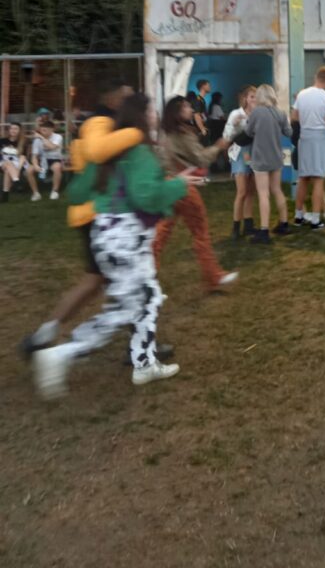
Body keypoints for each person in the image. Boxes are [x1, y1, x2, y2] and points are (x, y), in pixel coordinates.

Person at [32, 93, 198, 400]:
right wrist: (178, 185)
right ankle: (61, 354)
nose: (154, 115)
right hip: (127, 239)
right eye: (150, 110)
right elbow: (146, 196)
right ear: (142, 115)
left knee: (148, 296)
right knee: (126, 309)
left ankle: (144, 362)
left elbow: (79, 190)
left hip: (109, 235)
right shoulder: (139, 151)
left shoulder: (112, 149)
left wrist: (108, 199)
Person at [18, 79, 176, 363]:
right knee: (129, 284)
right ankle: (64, 345)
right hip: (102, 216)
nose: (131, 99)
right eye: (127, 94)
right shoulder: (98, 123)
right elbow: (97, 153)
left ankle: (136, 345)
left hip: (105, 215)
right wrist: (137, 135)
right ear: (113, 96)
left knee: (116, 283)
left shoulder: (109, 123)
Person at [154, 96, 238, 291]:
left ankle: (146, 279)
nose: (191, 109)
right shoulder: (184, 134)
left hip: (167, 187)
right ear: (177, 112)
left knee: (161, 234)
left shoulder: (164, 134)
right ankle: (213, 277)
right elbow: (200, 159)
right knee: (200, 232)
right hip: (183, 187)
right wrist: (218, 147)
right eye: (186, 107)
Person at [243, 84, 292, 242]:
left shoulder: (257, 112)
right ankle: (284, 224)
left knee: (264, 194)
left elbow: (248, 132)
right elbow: (289, 132)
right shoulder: (280, 112)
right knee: (277, 190)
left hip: (260, 159)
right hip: (276, 157)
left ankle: (264, 231)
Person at [292, 66, 325, 230]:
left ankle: (298, 216)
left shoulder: (302, 94)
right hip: (320, 139)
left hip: (304, 137)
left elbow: (294, 117)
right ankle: (315, 219)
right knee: (318, 178)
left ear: (315, 77)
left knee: (303, 177)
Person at [223, 85, 258, 239]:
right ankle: (236, 227)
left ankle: (248, 225)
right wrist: (235, 125)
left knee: (251, 191)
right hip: (240, 152)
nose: (254, 99)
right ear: (245, 99)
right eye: (251, 96)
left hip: (255, 152)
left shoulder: (258, 114)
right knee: (242, 191)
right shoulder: (236, 114)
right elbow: (226, 136)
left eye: (256, 96)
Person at [26, 119, 64, 201]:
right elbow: (34, 156)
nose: (42, 132)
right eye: (41, 130)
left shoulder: (58, 137)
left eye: (45, 130)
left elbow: (52, 147)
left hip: (54, 159)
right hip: (42, 160)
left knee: (57, 167)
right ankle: (36, 193)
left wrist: (40, 137)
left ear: (52, 130)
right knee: (29, 170)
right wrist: (35, 165)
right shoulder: (37, 140)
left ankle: (55, 191)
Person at [1, 123, 28, 202]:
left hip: (17, 163)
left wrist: (18, 170)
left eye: (16, 129)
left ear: (19, 131)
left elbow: (23, 157)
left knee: (7, 171)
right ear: (9, 130)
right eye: (12, 128)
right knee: (8, 163)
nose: (13, 130)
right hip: (2, 161)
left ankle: (5, 195)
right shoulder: (2, 141)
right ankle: (17, 182)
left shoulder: (22, 142)